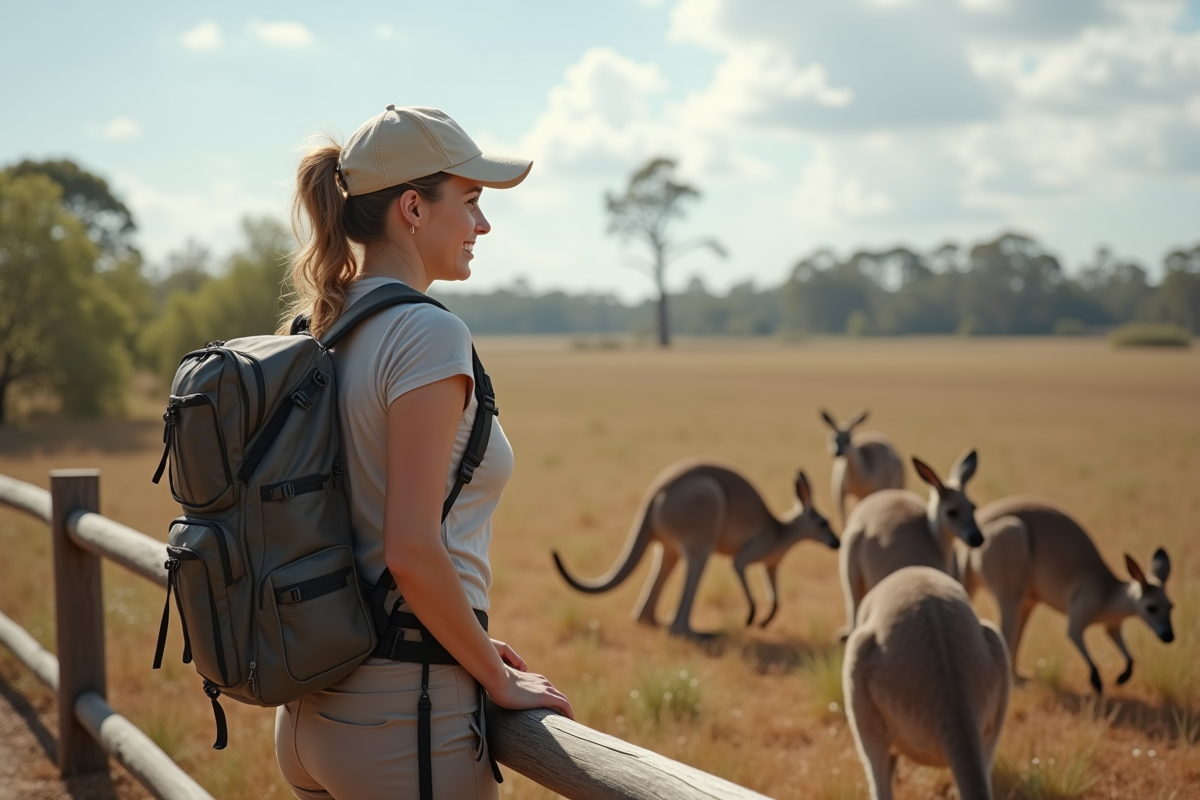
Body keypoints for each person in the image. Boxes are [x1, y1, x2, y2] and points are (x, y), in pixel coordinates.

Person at [274, 105, 573, 799]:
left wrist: (465, 637)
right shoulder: (424, 335)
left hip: (311, 710)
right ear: (412, 207)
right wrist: (495, 679)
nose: (483, 225)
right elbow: (408, 548)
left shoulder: (321, 323)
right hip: (402, 719)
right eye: (469, 202)